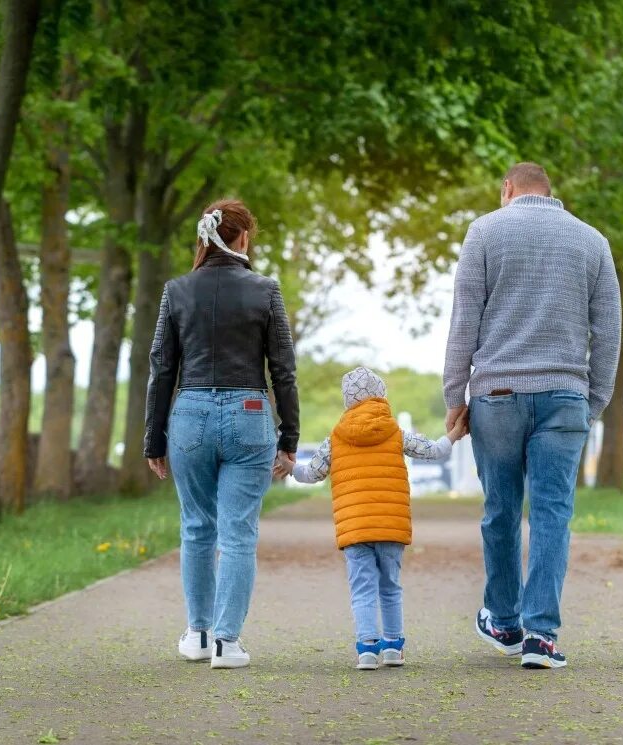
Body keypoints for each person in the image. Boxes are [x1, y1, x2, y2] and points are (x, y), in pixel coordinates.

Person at [443, 162, 621, 669]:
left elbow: (464, 320)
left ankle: (503, 620)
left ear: (507, 189)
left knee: (501, 508)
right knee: (552, 512)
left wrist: (456, 395)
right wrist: (595, 400)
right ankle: (541, 637)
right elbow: (608, 330)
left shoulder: (484, 231)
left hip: (497, 391)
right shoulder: (592, 242)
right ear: (550, 191)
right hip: (566, 393)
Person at [143, 199, 299, 670]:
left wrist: (154, 437)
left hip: (188, 414)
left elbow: (161, 368)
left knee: (196, 528)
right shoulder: (266, 290)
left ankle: (198, 633)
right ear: (242, 238)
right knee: (238, 533)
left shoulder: (176, 291)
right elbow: (283, 370)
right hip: (250, 410)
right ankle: (228, 644)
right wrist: (289, 437)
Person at [282, 367, 468, 670]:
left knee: (362, 589)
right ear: (381, 397)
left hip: (354, 528)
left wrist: (288, 465)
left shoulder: (335, 438)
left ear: (348, 401)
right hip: (390, 527)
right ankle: (394, 647)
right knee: (390, 586)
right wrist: (454, 434)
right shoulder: (395, 432)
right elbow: (433, 452)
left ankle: (367, 650)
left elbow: (310, 473)